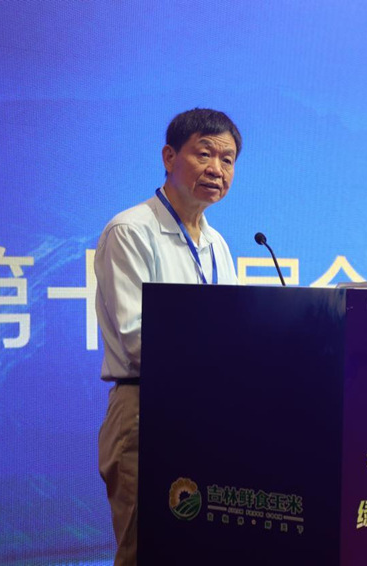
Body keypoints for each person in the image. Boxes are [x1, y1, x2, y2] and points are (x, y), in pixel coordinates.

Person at [94, 108, 242, 565]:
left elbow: (233, 331)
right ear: (169, 157)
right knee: (146, 549)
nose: (216, 169)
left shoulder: (218, 244)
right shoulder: (131, 231)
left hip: (208, 413)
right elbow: (140, 339)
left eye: (228, 160)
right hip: (146, 411)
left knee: (201, 549)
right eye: (204, 154)